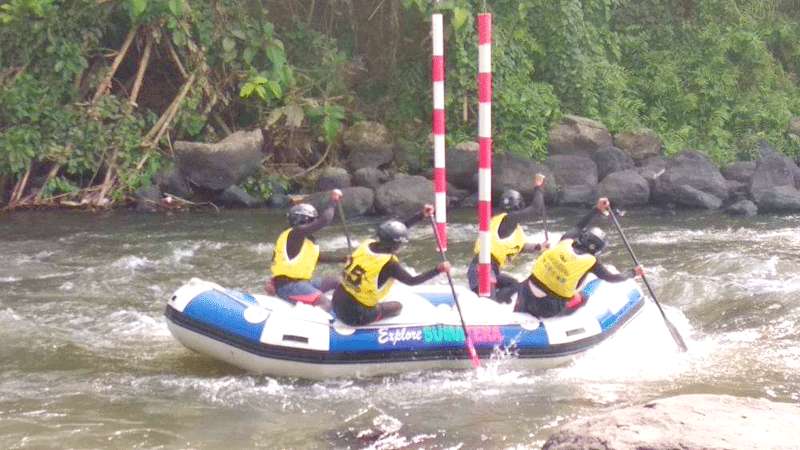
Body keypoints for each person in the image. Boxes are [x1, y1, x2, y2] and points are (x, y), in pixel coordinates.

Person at [516, 197, 644, 318]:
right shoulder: (591, 262)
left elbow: (578, 226)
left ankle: (519, 309)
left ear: (582, 238)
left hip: (525, 295)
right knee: (583, 298)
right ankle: (560, 322)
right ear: (598, 250)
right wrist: (633, 272)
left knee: (531, 283)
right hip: (547, 308)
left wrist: (596, 209)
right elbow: (613, 278)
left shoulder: (565, 240)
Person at [332, 205, 451, 326]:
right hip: (356, 315)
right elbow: (412, 281)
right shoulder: (389, 263)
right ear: (395, 245)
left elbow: (392, 233)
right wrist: (438, 269)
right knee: (397, 307)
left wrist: (420, 216)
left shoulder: (367, 244)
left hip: (337, 301)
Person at [467, 173, 549, 302]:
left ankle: (498, 304)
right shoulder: (508, 220)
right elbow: (535, 209)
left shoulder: (507, 225)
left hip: (491, 269)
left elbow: (519, 247)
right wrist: (538, 187)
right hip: (482, 267)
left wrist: (538, 247)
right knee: (489, 303)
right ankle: (492, 307)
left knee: (516, 285)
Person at [268, 189, 347, 311]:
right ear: (304, 221)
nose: (314, 224)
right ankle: (311, 321)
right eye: (312, 220)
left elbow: (319, 257)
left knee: (339, 282)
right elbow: (325, 220)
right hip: (288, 286)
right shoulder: (295, 234)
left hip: (303, 283)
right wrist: (333, 201)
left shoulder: (303, 240)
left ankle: (345, 310)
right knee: (326, 303)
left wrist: (344, 259)